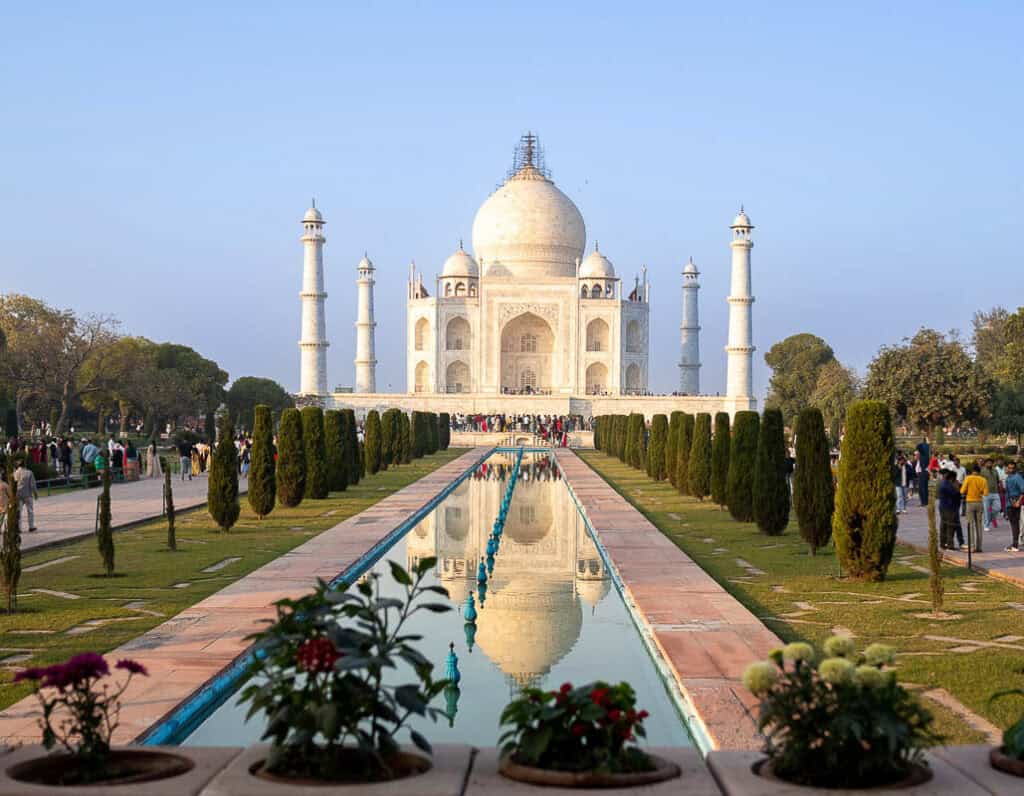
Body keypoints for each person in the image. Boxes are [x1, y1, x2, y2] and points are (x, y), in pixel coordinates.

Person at [960, 463, 988, 553]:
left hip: (970, 502)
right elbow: (985, 493)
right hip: (979, 503)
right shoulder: (983, 480)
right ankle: (979, 546)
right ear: (979, 472)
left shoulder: (968, 478)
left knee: (970, 525)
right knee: (979, 525)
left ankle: (972, 546)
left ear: (972, 471)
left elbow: (962, 491)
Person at [937, 469, 961, 550]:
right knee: (951, 526)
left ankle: (942, 543)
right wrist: (958, 489)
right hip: (949, 508)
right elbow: (955, 494)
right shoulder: (948, 485)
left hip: (942, 506)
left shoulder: (942, 483)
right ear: (952, 478)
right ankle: (950, 545)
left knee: (943, 525)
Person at [13, 460, 38, 533]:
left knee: (19, 512)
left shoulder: (15, 473)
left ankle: (19, 528)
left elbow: (13, 484)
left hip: (18, 494)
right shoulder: (29, 472)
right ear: (25, 464)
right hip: (28, 494)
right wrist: (35, 493)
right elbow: (32, 484)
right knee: (30, 511)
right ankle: (31, 526)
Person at [1005, 461, 1024, 553]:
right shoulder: (1009, 477)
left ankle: (1015, 545)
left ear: (1015, 468)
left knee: (1015, 523)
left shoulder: (1017, 477)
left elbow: (1023, 490)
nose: (1011, 469)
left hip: (1015, 501)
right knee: (1013, 523)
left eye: (1013, 468)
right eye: (1009, 467)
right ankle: (1014, 543)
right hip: (1009, 502)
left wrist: (1018, 502)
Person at [979, 458, 1001, 533]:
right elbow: (980, 482)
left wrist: (1000, 489)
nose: (989, 464)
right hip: (986, 493)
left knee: (998, 508)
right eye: (988, 463)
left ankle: (990, 518)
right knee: (986, 510)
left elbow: (998, 481)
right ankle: (986, 525)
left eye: (991, 463)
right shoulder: (982, 471)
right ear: (985, 464)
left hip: (995, 492)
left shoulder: (995, 470)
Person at [915, 437, 930, 506]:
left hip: (923, 473)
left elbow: (918, 446)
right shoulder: (923, 455)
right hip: (922, 472)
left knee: (923, 488)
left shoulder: (924, 453)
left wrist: (925, 442)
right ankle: (924, 502)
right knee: (923, 488)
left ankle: (924, 502)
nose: (916, 455)